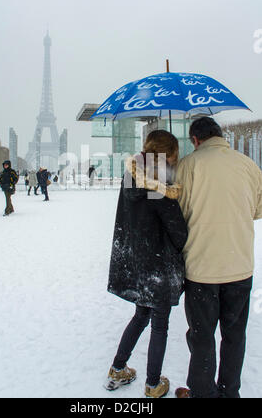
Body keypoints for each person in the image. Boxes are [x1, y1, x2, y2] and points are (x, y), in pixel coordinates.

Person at [175, 117, 262, 399]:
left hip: (202, 268)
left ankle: (203, 393)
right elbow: (257, 210)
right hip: (240, 266)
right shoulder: (249, 165)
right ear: (220, 135)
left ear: (195, 140)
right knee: (235, 335)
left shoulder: (188, 166)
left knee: (202, 337)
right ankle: (229, 391)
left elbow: (178, 214)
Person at [105, 130, 188, 398]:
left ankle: (118, 367)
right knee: (159, 325)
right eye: (173, 157)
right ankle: (153, 385)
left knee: (142, 315)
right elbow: (179, 232)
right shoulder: (158, 186)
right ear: (164, 156)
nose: (174, 163)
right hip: (159, 265)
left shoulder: (131, 177)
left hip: (139, 262)